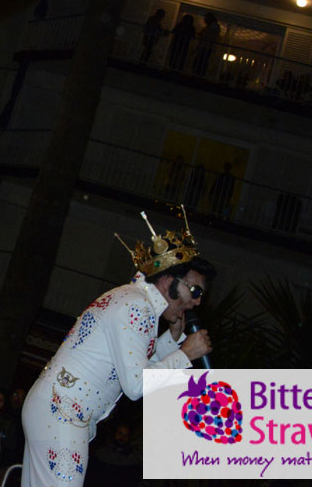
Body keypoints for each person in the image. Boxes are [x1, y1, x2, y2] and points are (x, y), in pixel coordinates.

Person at [21, 208, 213, 487]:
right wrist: (185, 355)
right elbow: (135, 385)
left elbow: (132, 365)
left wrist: (171, 341)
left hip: (57, 410)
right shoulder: (136, 306)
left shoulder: (133, 300)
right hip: (61, 413)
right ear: (169, 280)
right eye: (194, 291)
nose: (196, 302)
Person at [191, 12, 221, 77]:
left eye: (206, 18)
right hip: (205, 46)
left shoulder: (214, 25)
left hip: (206, 47)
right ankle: (198, 74)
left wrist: (203, 35)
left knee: (201, 61)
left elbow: (209, 35)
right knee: (200, 60)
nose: (204, 20)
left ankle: (198, 74)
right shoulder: (212, 26)